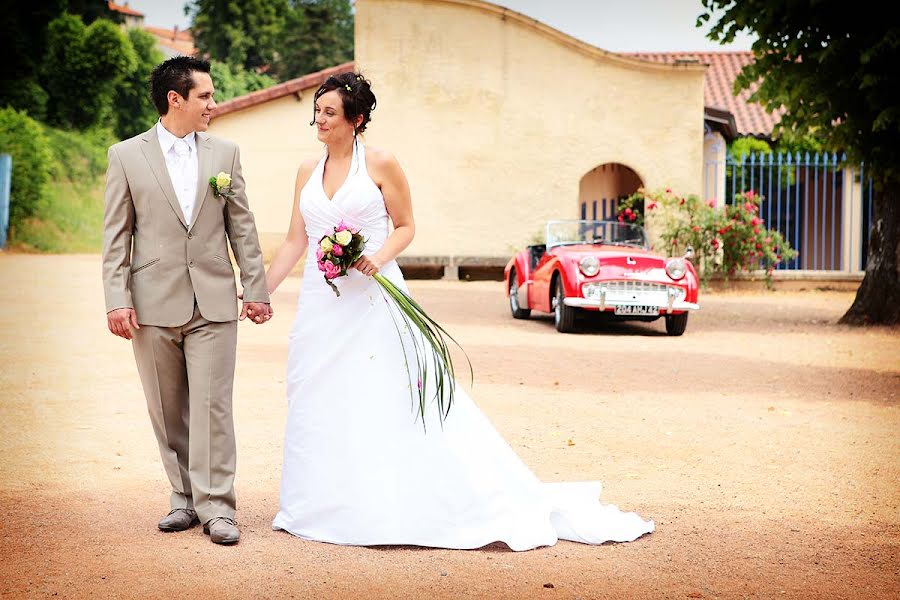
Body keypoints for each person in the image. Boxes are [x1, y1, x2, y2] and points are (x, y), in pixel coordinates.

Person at [265, 72, 654, 550]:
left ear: (356, 120)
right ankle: (318, 504)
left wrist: (377, 257)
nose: (319, 120)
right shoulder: (307, 170)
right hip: (322, 302)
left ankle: (391, 503)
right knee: (319, 394)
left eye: (329, 112)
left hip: (374, 296)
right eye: (317, 112)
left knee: (382, 395)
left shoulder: (382, 164)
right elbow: (293, 241)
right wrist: (260, 292)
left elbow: (406, 226)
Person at [101, 56, 272, 545]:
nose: (213, 105)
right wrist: (117, 299)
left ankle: (219, 507)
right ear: (175, 99)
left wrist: (255, 288)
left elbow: (243, 226)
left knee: (214, 406)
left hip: (215, 299)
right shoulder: (126, 156)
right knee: (167, 407)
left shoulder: (226, 153)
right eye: (205, 96)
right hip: (152, 302)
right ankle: (184, 499)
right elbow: (117, 236)